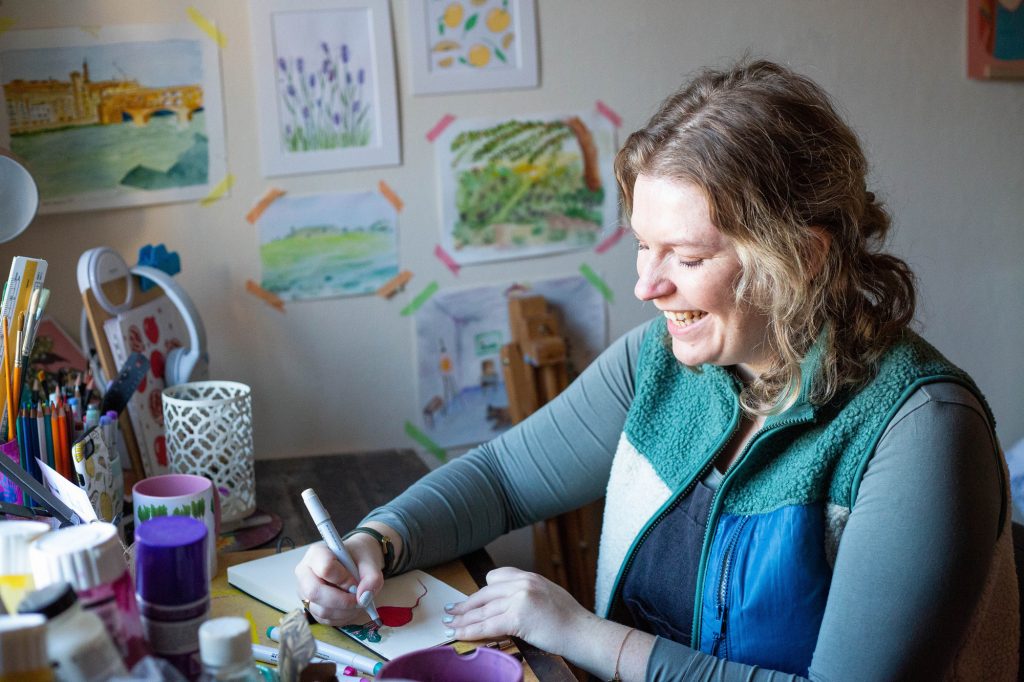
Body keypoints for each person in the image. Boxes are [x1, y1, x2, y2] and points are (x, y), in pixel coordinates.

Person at [296, 60, 1019, 680]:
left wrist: (584, 636)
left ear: (802, 257)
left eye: (690, 256)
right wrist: (376, 542)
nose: (647, 286)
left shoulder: (920, 433)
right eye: (645, 245)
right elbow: (503, 478)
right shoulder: (664, 366)